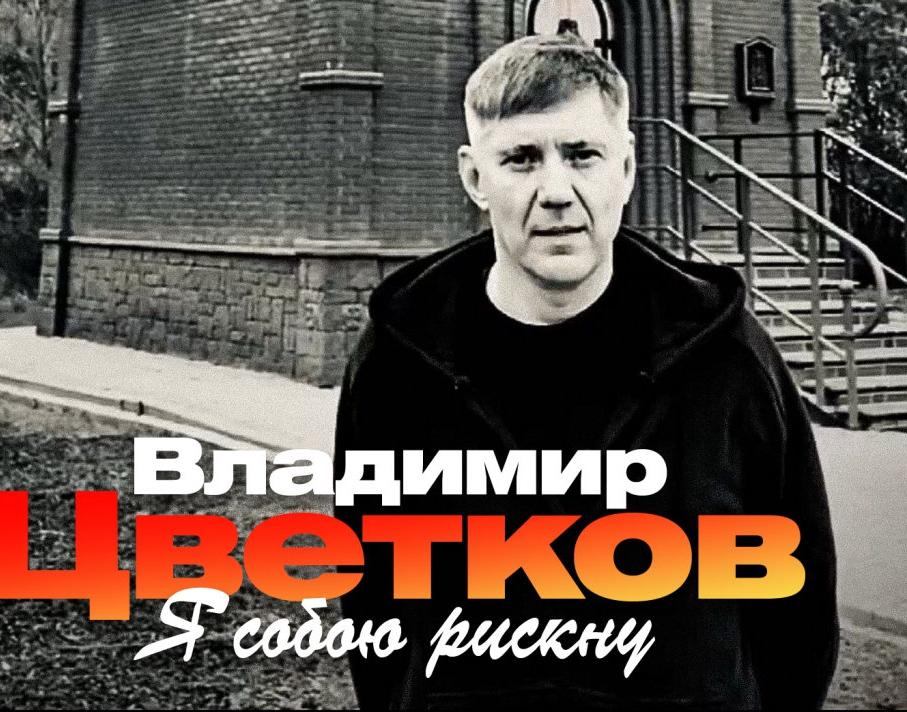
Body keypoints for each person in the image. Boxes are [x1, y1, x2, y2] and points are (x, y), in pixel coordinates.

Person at [334, 34, 838, 710]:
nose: (556, 192)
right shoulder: (399, 362)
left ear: (625, 169)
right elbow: (373, 591)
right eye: (521, 158)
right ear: (475, 178)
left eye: (581, 155)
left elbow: (798, 597)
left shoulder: (728, 358)